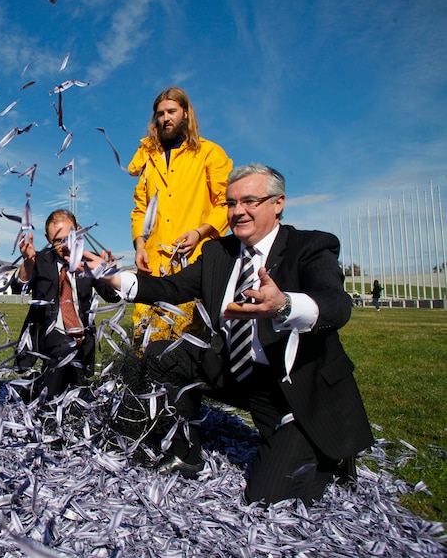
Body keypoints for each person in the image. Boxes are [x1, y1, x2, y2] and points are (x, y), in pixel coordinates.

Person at [101, 163, 373, 505]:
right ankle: (186, 452)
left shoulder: (311, 246)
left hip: (291, 388)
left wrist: (285, 305)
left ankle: (327, 450)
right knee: (163, 353)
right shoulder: (218, 252)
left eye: (250, 201)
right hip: (236, 372)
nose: (237, 211)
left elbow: (335, 304)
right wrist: (113, 280)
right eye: (231, 203)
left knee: (266, 497)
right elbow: (170, 287)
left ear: (278, 203)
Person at [128, 87, 232, 341]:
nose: (165, 118)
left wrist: (200, 233)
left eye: (171, 111)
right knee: (145, 335)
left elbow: (228, 203)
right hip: (152, 263)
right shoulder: (149, 159)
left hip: (194, 261)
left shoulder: (209, 153)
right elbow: (140, 209)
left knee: (188, 336)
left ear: (185, 113)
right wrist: (140, 246)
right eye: (160, 113)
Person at [13, 209, 120, 400]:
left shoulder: (90, 260)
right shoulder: (40, 260)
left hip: (82, 337)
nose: (63, 245)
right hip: (50, 335)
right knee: (54, 391)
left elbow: (111, 296)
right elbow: (18, 287)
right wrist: (28, 263)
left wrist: (110, 278)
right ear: (47, 238)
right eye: (57, 240)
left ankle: (35, 391)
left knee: (76, 395)